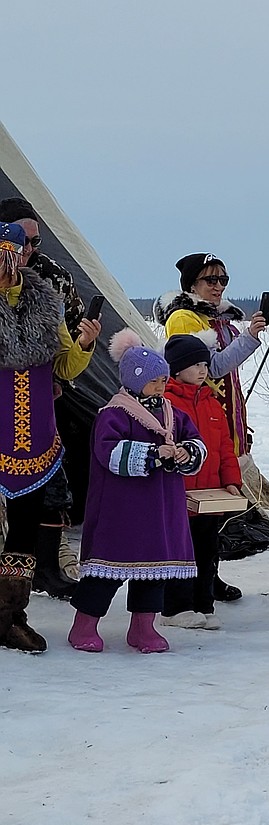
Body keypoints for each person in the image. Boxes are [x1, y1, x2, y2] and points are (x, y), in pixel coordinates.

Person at [67, 331, 205, 654]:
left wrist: (188, 452)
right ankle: (84, 624)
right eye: (155, 381)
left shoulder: (173, 414)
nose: (161, 387)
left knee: (152, 574)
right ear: (134, 380)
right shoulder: (114, 415)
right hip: (122, 512)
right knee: (106, 573)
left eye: (163, 381)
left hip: (160, 510)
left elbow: (195, 440)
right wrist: (155, 455)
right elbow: (109, 452)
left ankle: (144, 627)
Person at [0, 222, 99, 653]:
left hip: (36, 433)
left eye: (16, 253)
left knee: (23, 526)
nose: (10, 261)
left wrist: (84, 344)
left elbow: (62, 368)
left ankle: (9, 616)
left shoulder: (46, 300)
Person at [156, 253, 267, 598]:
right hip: (196, 419)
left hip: (221, 415)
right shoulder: (185, 319)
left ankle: (208, 574)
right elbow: (213, 366)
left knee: (216, 504)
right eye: (210, 280)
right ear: (192, 285)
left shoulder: (222, 322)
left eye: (223, 280)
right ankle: (186, 579)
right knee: (195, 506)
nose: (218, 287)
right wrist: (249, 338)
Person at [161, 335, 242, 630]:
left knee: (207, 551)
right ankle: (175, 608)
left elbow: (225, 449)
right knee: (181, 552)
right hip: (179, 497)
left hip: (210, 497)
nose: (202, 369)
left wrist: (231, 480)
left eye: (204, 364)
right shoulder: (166, 403)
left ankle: (203, 604)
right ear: (177, 369)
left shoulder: (212, 404)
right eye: (195, 364)